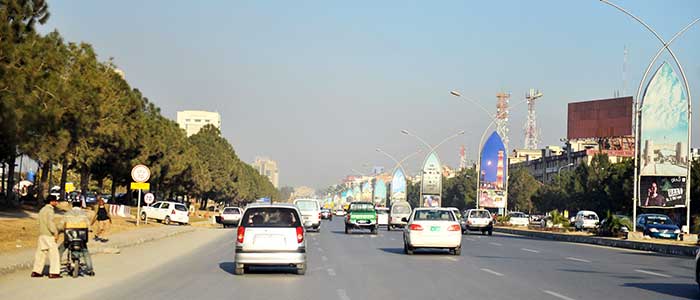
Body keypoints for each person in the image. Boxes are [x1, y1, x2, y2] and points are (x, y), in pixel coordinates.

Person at [31, 195, 61, 278]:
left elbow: (39, 222)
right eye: (55, 201)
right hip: (49, 235)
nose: (56, 202)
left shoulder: (42, 210)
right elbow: (50, 223)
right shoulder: (50, 210)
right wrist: (55, 232)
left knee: (41, 253)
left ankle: (36, 271)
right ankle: (54, 272)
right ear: (51, 202)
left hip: (42, 234)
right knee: (54, 254)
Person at [61, 201, 95, 276]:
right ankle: (90, 270)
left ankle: (56, 267)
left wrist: (61, 229)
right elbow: (88, 224)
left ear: (72, 206)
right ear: (80, 206)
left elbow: (62, 223)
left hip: (70, 236)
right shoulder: (84, 214)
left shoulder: (67, 213)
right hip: (81, 237)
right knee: (85, 252)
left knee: (60, 249)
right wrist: (89, 229)